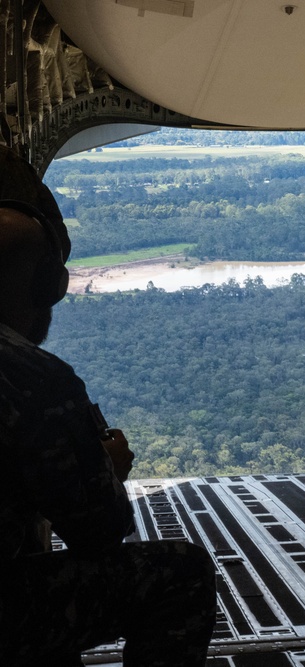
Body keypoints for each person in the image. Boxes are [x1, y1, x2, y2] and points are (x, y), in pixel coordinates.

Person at [0, 160, 217, 665]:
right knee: (182, 573)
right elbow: (99, 532)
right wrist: (110, 472)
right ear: (44, 288)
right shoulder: (36, 379)